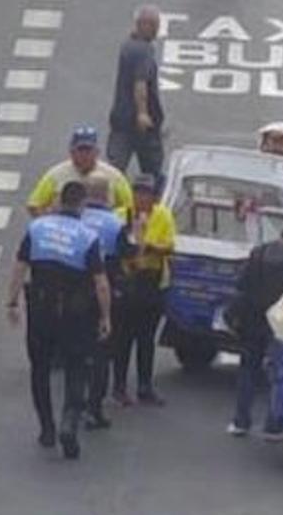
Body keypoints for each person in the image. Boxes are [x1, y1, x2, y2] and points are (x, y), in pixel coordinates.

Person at [4, 181, 112, 460]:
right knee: (77, 368)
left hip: (40, 310)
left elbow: (19, 266)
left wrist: (12, 301)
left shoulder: (37, 228)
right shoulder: (88, 237)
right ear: (82, 205)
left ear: (58, 202)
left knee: (39, 369)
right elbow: (101, 283)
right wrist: (105, 316)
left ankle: (47, 428)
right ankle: (69, 422)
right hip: (75, 314)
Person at [225, 225, 283, 438]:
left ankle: (240, 422)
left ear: (281, 236)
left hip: (252, 319)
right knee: (278, 374)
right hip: (281, 324)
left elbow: (242, 286)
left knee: (248, 370)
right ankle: (274, 425)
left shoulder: (258, 253)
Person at [111, 173, 175, 407]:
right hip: (127, 281)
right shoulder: (119, 216)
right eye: (138, 193)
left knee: (146, 338)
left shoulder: (162, 215)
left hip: (152, 280)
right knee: (122, 338)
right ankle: (118, 386)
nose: (142, 198)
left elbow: (169, 245)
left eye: (146, 193)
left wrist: (149, 246)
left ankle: (145, 386)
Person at [78, 177, 130, 430]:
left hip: (73, 292)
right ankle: (94, 408)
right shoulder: (115, 223)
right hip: (103, 293)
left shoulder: (76, 220)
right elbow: (128, 254)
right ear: (107, 196)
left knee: (76, 352)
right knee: (102, 354)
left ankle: (74, 403)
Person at [107, 5, 165, 176]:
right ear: (143, 25)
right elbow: (140, 83)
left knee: (115, 169)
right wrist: (142, 113)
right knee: (152, 171)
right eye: (154, 25)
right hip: (139, 125)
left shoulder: (128, 45)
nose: (156, 30)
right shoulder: (143, 50)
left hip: (120, 119)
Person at [27, 127, 134, 217]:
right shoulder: (56, 175)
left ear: (97, 152)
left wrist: (115, 220)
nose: (84, 155)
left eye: (88, 150)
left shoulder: (114, 176)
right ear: (72, 152)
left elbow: (130, 207)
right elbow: (34, 205)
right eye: (80, 150)